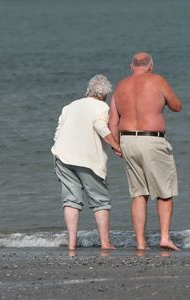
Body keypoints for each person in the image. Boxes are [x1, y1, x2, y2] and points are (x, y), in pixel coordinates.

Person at [109, 52, 182, 251]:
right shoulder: (157, 80)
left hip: (128, 140)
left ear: (131, 66)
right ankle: (164, 237)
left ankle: (140, 243)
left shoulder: (120, 86)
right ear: (151, 66)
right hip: (152, 140)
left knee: (138, 193)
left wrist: (116, 145)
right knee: (164, 191)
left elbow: (113, 121)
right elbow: (177, 106)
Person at [51, 74, 121, 254]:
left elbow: (58, 131)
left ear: (89, 90)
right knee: (100, 201)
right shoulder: (102, 106)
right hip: (88, 160)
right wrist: (116, 146)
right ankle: (105, 243)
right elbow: (100, 126)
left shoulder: (70, 106)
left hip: (63, 155)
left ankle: (72, 244)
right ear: (104, 94)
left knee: (71, 200)